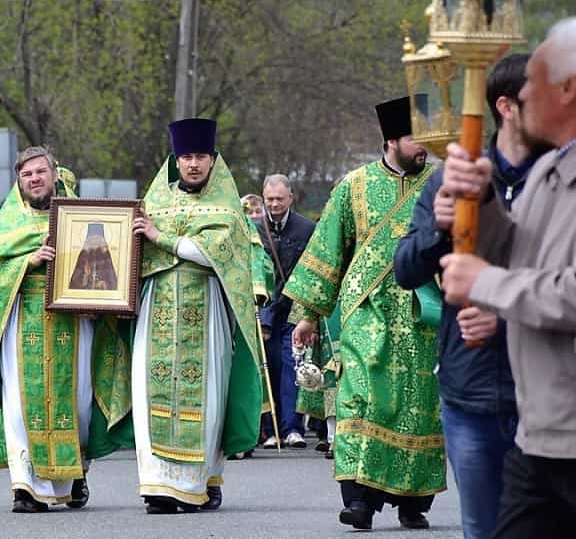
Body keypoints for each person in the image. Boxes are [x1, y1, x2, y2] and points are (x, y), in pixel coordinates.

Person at [394, 54, 547, 539]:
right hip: (470, 389)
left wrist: (501, 318)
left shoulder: (559, 179)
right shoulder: (449, 180)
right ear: (506, 106)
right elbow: (405, 269)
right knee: (481, 528)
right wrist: (439, 229)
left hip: (544, 393)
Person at [439, 18, 576, 538]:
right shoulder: (547, 171)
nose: (520, 97)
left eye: (532, 83)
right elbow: (516, 253)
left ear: (567, 90)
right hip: (540, 437)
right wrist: (479, 200)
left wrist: (485, 285)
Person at [288, 96, 444, 531]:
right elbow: (327, 252)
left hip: (422, 317)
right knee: (361, 404)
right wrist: (307, 314)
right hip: (365, 317)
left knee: (417, 408)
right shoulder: (352, 187)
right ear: (391, 140)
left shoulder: (441, 184)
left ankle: (414, 502)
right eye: (416, 138)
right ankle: (358, 500)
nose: (424, 147)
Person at [129, 118, 263, 513]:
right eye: (186, 156)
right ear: (176, 160)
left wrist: (161, 238)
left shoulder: (226, 207)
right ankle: (155, 484)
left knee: (207, 396)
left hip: (206, 315)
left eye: (200, 156)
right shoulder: (153, 204)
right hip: (155, 312)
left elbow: (212, 254)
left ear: (212, 160)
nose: (193, 164)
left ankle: (197, 482)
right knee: (146, 389)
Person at [0, 146, 95, 512]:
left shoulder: (81, 216)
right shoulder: (10, 224)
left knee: (78, 403)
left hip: (73, 322)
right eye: (26, 175)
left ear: (54, 173)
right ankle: (25, 486)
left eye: (40, 172)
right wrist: (28, 260)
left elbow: (105, 261)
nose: (34, 179)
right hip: (21, 319)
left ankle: (75, 477)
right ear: (19, 181)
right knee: (19, 404)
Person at [257, 174, 316, 449]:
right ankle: (270, 431)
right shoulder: (254, 229)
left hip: (295, 309)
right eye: (269, 199)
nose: (274, 204)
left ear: (290, 198)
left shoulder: (307, 229)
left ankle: (292, 428)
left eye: (279, 198)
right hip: (266, 312)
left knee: (293, 365)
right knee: (268, 368)